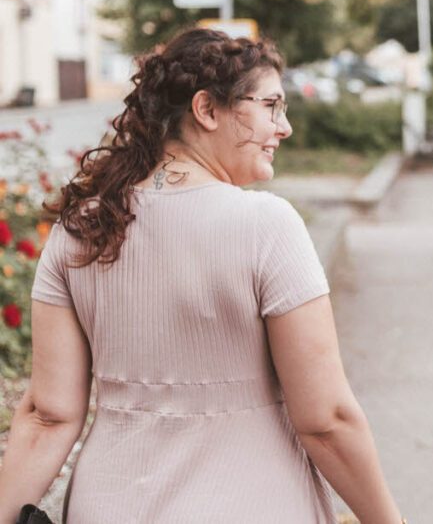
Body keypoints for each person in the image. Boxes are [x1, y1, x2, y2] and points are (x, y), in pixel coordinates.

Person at [0, 28, 404, 523]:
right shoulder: (266, 226)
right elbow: (327, 420)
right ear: (207, 109)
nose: (285, 127)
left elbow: (48, 416)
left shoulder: (82, 229)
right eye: (271, 106)